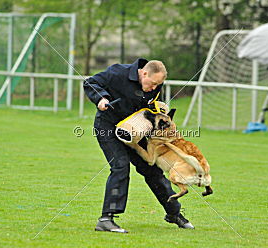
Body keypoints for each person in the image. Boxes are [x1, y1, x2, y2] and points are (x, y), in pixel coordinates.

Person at [83, 58, 194, 233]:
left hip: (135, 130)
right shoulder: (117, 73)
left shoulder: (155, 86)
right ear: (143, 73)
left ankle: (174, 213)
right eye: (153, 83)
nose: (154, 88)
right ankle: (106, 219)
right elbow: (91, 82)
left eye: (158, 84)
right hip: (108, 127)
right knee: (120, 166)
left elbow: (151, 109)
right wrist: (101, 99)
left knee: (152, 170)